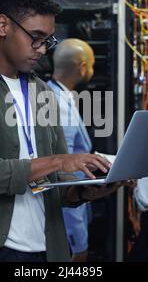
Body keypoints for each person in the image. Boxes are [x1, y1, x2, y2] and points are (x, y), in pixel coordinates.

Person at [0, 0, 127, 262]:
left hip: (48, 250)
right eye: (35, 38)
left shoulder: (42, 92)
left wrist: (85, 191)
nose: (41, 50)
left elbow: (56, 185)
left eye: (48, 41)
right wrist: (60, 161)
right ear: (3, 25)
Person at [47, 39, 95, 262]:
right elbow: (64, 175)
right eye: (92, 65)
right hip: (66, 220)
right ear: (82, 67)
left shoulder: (57, 96)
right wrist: (78, 242)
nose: (92, 70)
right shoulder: (58, 104)